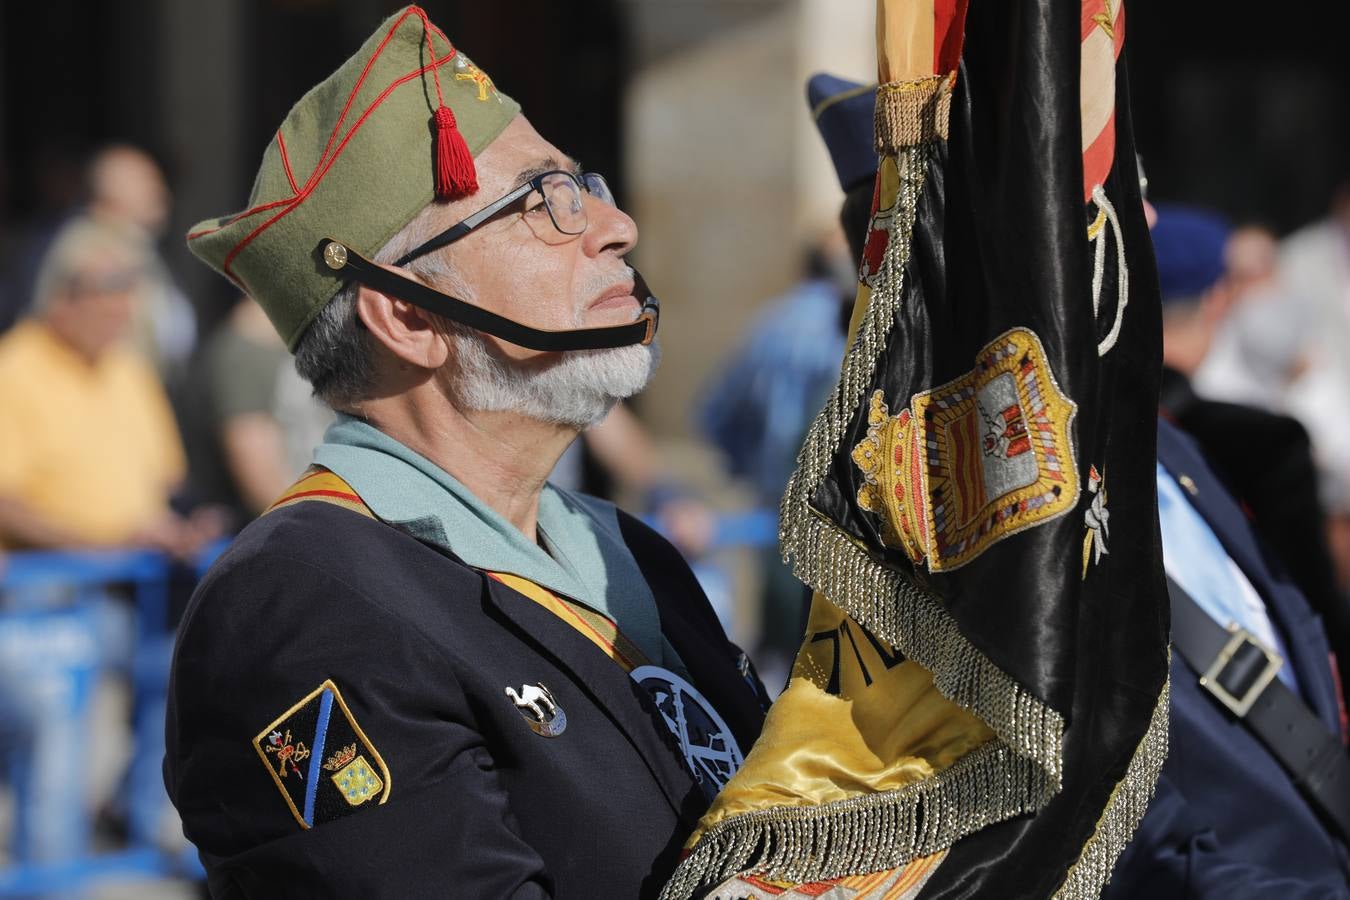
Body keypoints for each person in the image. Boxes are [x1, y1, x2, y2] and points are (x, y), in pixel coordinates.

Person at [164, 7, 766, 897]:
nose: (615, 225)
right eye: (543, 203)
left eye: (584, 184)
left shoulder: (624, 547)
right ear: (407, 314)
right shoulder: (296, 603)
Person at [808, 73, 1350, 897]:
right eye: (1112, 195)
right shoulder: (948, 514)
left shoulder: (1158, 435)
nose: (1151, 221)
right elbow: (1086, 823)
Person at [0, 219, 215, 555]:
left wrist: (190, 523)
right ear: (60, 298)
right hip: (53, 583)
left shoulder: (127, 367)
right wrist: (104, 544)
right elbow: (6, 506)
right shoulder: (13, 369)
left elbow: (169, 481)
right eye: (107, 290)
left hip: (144, 572)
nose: (121, 308)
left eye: (128, 291)